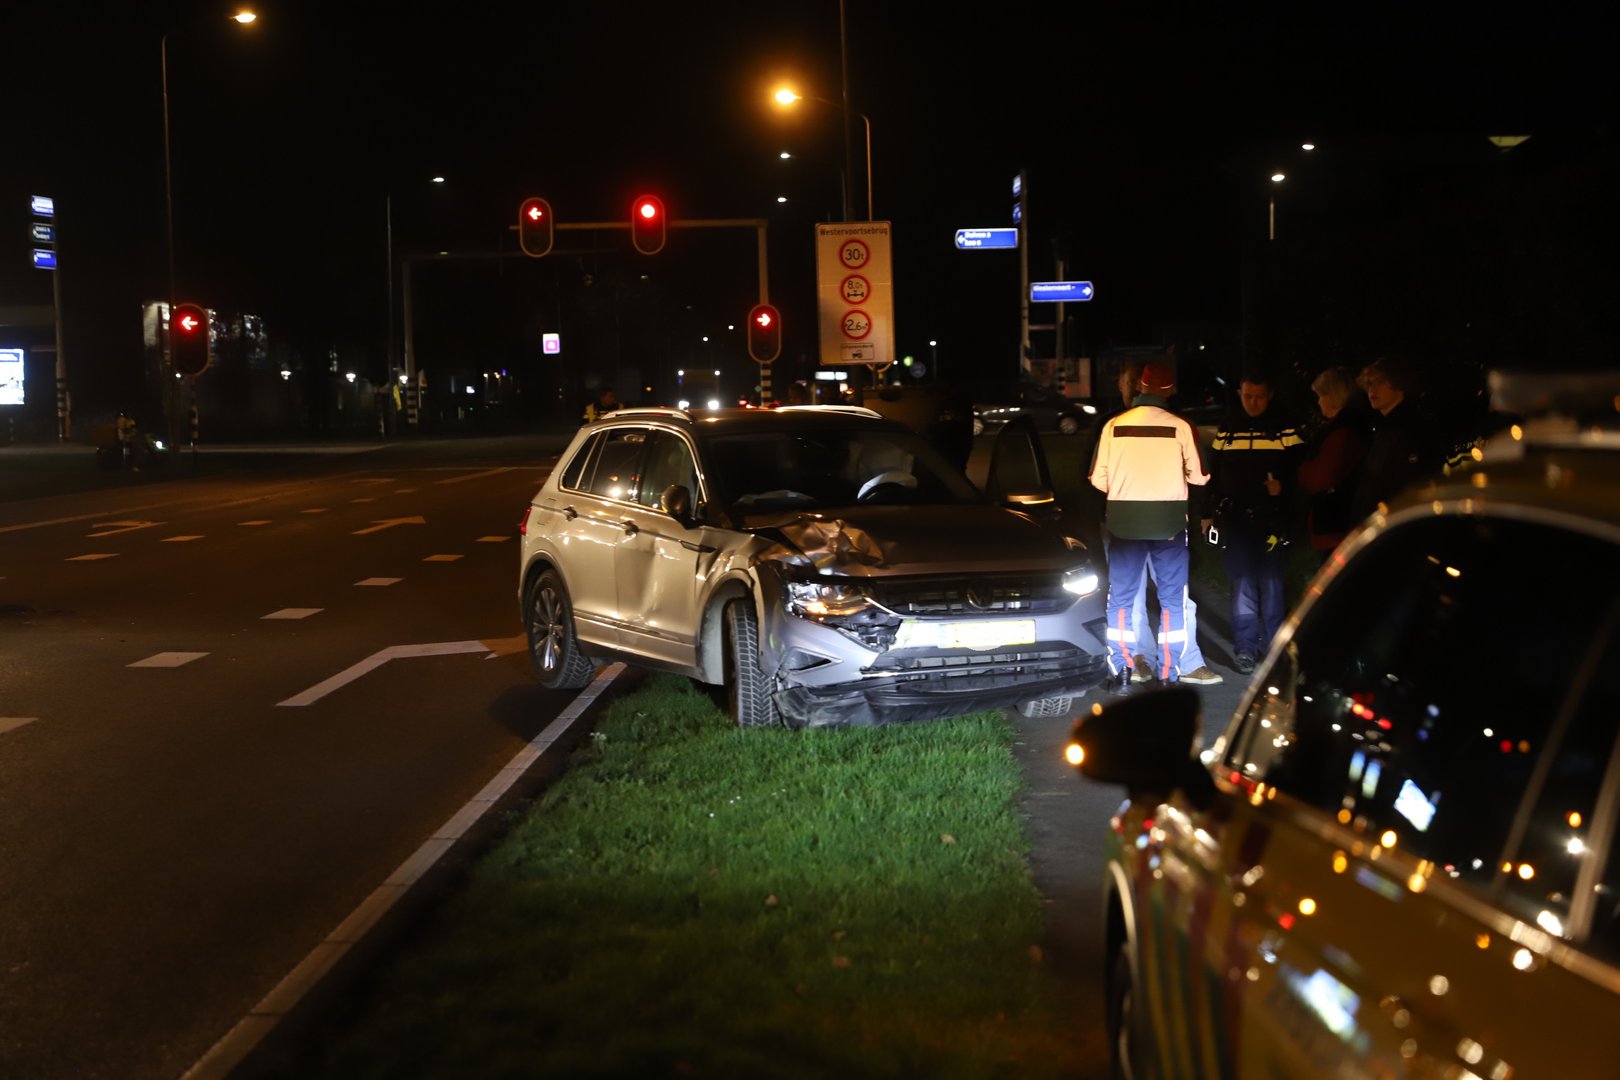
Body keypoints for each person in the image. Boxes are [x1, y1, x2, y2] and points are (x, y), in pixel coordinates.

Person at [1092, 361, 1222, 686]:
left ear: (1140, 387)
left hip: (1124, 526)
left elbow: (1097, 478)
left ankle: (1122, 669)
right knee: (1172, 601)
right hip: (1169, 527)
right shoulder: (1181, 426)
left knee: (1120, 599)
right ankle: (1169, 673)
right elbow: (1200, 476)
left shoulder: (1113, 426)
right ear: (1170, 390)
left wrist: (1126, 490)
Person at [1201, 372, 1304, 675]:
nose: (1252, 402)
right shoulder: (1229, 429)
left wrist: (1283, 488)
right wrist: (1206, 513)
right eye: (1247, 396)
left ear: (1269, 395)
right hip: (1235, 523)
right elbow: (1213, 476)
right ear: (1240, 394)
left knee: (1271, 586)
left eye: (1258, 396)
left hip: (1272, 523)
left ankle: (1274, 652)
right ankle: (1245, 648)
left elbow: (1303, 475)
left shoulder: (1285, 429)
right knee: (1242, 585)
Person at [1349, 356, 1444, 522]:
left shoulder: (1408, 428)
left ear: (1399, 384)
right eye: (1369, 383)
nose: (1372, 389)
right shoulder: (1386, 427)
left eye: (1379, 382)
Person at [1296, 366, 1372, 563]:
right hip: (1340, 522)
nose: (1319, 401)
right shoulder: (1348, 426)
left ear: (1333, 396)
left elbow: (1319, 477)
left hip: (1337, 526)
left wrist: (1303, 470)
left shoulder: (1343, 432)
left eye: (1321, 396)